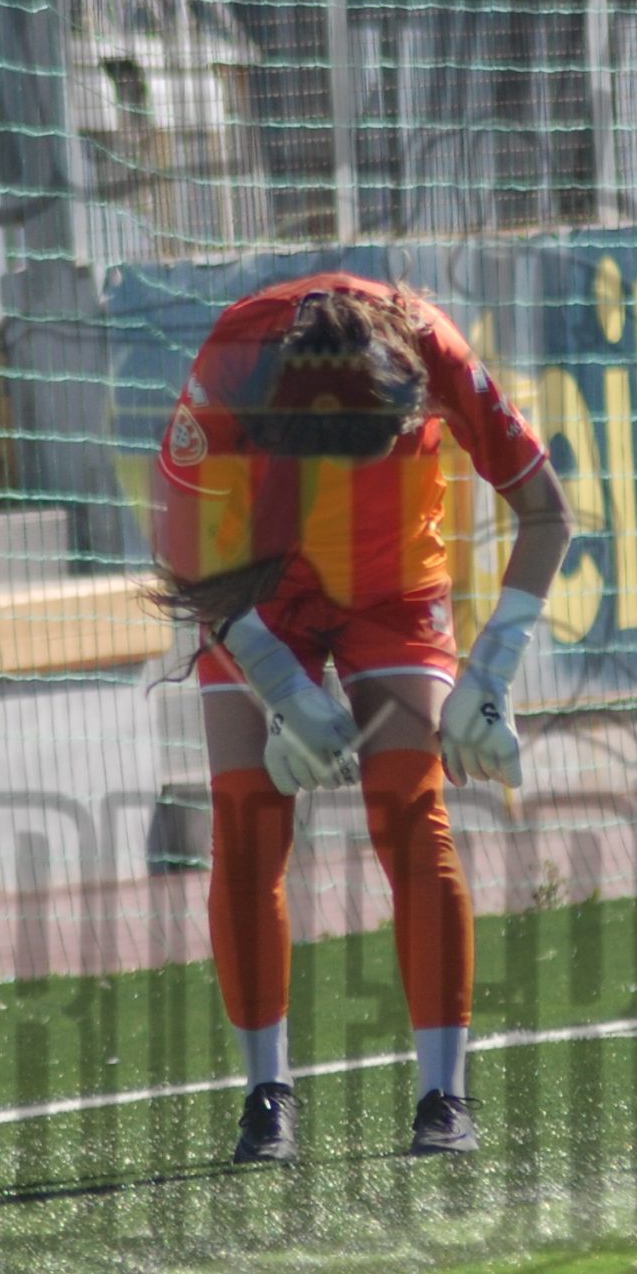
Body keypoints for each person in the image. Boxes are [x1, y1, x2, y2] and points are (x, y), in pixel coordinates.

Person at [151, 274, 571, 1162]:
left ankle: (444, 1096)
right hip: (256, 586)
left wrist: (492, 672)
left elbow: (547, 510)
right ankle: (266, 1095)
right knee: (246, 820)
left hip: (393, 587)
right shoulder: (229, 362)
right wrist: (277, 682)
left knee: (412, 813)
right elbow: (183, 549)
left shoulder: (435, 347)